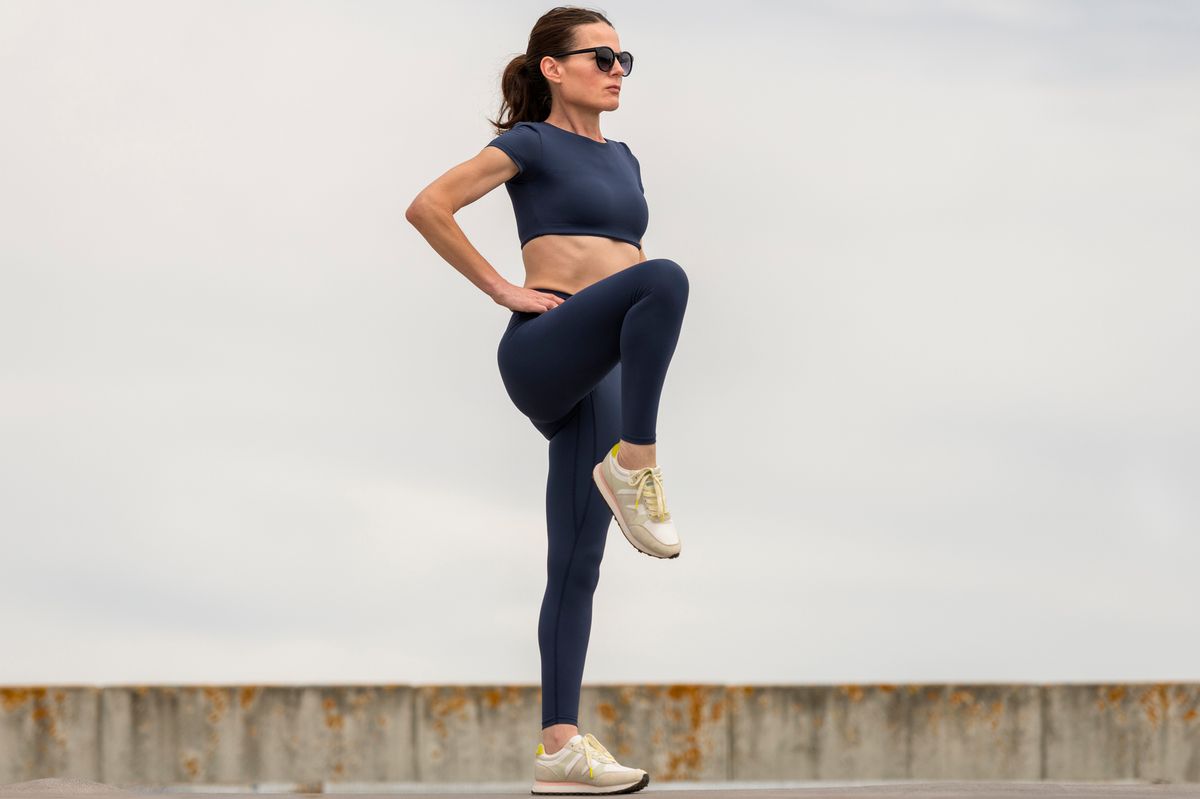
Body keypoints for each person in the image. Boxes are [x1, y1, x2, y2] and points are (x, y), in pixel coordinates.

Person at [405, 7, 688, 794]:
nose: (617, 68)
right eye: (600, 56)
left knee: (576, 563)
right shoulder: (529, 144)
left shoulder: (627, 158)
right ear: (553, 68)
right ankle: (639, 462)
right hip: (545, 346)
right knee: (664, 277)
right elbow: (429, 204)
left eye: (624, 57)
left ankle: (559, 746)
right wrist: (503, 287)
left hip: (603, 375)